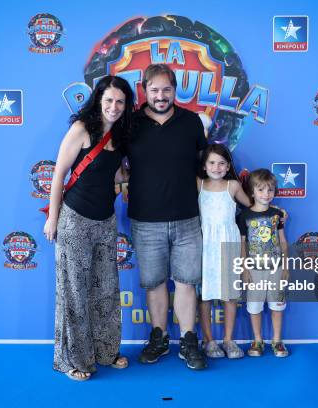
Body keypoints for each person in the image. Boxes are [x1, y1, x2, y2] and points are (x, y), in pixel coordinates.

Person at [44, 75, 134, 381]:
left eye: (120, 101)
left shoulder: (121, 136)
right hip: (75, 220)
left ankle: (107, 352)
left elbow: (117, 173)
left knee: (106, 290)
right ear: (98, 100)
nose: (114, 106)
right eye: (108, 100)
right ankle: (74, 361)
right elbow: (59, 175)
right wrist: (52, 217)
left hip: (106, 222)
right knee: (74, 293)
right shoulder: (81, 130)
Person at [126, 64, 208, 370]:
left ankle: (189, 340)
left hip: (188, 219)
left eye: (166, 90)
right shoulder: (129, 124)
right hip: (145, 221)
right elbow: (112, 163)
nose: (160, 96)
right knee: (154, 283)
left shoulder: (191, 123)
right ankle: (158, 338)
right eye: (154, 90)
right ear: (144, 90)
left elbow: (207, 166)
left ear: (175, 90)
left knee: (187, 283)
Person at [197, 144, 251, 359]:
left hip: (229, 242)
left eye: (221, 163)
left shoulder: (233, 186)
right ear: (204, 165)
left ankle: (228, 339)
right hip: (205, 244)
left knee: (230, 295)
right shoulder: (199, 184)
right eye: (211, 162)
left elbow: (251, 206)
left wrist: (275, 213)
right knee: (206, 295)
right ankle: (209, 340)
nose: (216, 167)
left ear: (228, 165)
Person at [237, 169, 290, 358]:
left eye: (270, 190)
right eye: (261, 190)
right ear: (252, 192)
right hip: (254, 269)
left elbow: (282, 240)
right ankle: (257, 340)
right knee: (254, 306)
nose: (266, 195)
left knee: (277, 304)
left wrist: (286, 265)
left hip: (275, 268)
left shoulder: (277, 214)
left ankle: (277, 340)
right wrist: (244, 268)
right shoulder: (244, 216)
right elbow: (243, 244)